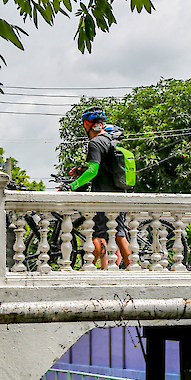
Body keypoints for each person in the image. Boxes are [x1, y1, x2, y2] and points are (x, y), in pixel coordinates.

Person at [69, 106, 132, 268]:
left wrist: (74, 185)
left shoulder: (95, 143)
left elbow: (93, 170)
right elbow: (104, 168)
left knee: (100, 236)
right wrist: (81, 171)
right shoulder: (111, 140)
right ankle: (127, 268)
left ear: (86, 124)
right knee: (117, 235)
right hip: (119, 193)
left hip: (103, 197)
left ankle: (96, 268)